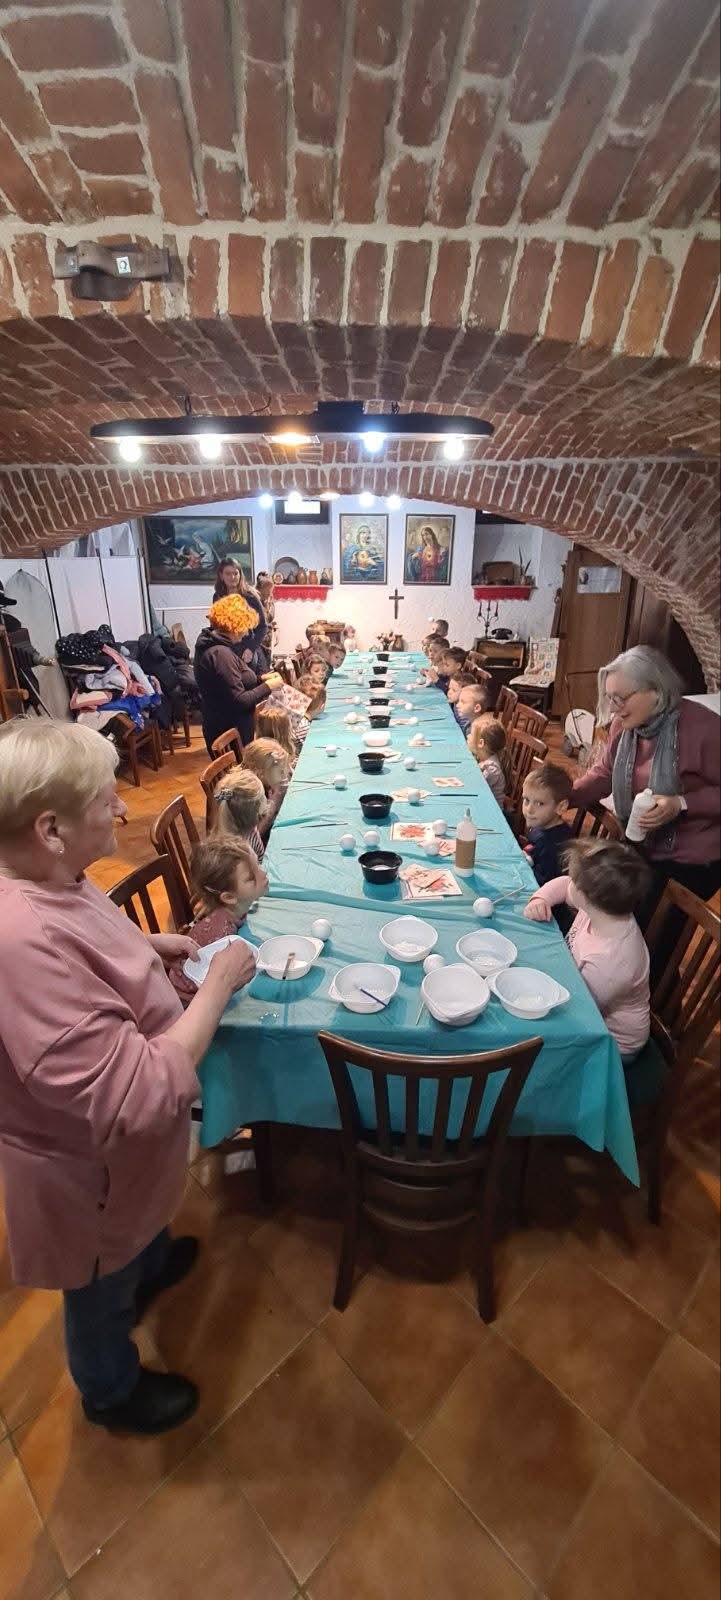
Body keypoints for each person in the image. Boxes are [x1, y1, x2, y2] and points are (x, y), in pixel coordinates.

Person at [0, 720, 256, 1435]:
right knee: (97, 1283)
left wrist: (144, 947)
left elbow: (83, 944)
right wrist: (215, 986)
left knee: (135, 1239)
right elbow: (132, 1092)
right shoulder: (19, 939)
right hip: (85, 1171)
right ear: (50, 829)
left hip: (124, 1168)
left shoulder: (50, 877)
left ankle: (147, 1265)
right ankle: (109, 1388)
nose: (120, 808)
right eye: (102, 798)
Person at [571, 645, 721, 916]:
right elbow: (605, 773)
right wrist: (565, 796)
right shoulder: (624, 726)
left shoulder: (706, 729)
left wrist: (680, 803)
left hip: (690, 861)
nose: (613, 709)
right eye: (610, 698)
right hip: (640, 844)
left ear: (656, 690)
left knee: (646, 931)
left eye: (621, 698)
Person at [524, 838, 651, 1061]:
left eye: (575, 881)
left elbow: (576, 1012)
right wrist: (541, 899)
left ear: (584, 896)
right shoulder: (606, 908)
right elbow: (564, 885)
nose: (569, 882)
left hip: (612, 1043)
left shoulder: (610, 964)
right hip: (582, 994)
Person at [169, 838, 268, 1001]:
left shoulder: (238, 907)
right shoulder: (220, 936)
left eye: (258, 864)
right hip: (187, 1000)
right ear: (229, 897)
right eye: (251, 877)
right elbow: (217, 987)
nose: (263, 873)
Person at [194, 594, 283, 755]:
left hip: (233, 727)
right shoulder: (220, 654)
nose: (247, 633)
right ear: (235, 625)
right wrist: (268, 686)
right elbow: (239, 700)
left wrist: (260, 679)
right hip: (227, 731)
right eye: (245, 626)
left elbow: (234, 681)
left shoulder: (220, 646)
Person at [522, 762, 575, 886]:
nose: (529, 809)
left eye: (539, 803)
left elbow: (540, 885)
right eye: (526, 800)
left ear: (561, 807)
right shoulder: (542, 823)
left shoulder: (553, 847)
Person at [242, 737, 292, 842]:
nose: (285, 776)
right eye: (281, 772)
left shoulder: (267, 782)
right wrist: (273, 806)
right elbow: (252, 841)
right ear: (260, 774)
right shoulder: (248, 797)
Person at [214, 767, 268, 859]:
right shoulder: (238, 853)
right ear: (256, 816)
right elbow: (261, 859)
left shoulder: (250, 832)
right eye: (264, 796)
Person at [468, 715, 509, 806]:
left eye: (471, 734)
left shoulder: (492, 770)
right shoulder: (486, 759)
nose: (468, 736)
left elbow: (474, 788)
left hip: (491, 809)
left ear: (481, 743)